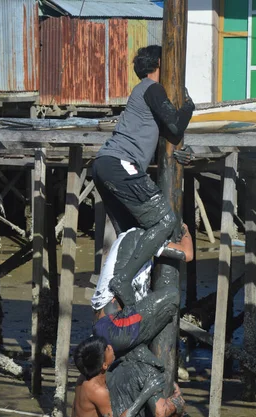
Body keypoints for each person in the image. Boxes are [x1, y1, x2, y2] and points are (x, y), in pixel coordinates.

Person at [92, 45, 195, 307]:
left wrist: (182, 153)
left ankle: (127, 298)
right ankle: (122, 280)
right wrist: (189, 105)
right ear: (161, 63)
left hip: (105, 164)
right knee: (164, 221)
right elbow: (174, 127)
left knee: (133, 234)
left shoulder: (141, 96)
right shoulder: (152, 87)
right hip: (120, 163)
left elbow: (163, 138)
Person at [92, 223, 193, 355]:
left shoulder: (126, 238)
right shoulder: (142, 237)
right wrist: (184, 229)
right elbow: (187, 253)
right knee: (172, 296)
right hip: (117, 328)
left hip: (101, 326)